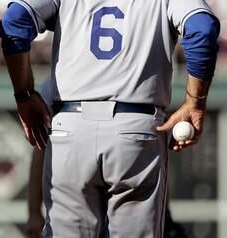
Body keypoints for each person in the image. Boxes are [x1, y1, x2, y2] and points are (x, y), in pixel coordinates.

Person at [0, 0, 219, 237]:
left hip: (70, 128)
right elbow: (202, 30)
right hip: (136, 130)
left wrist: (24, 95)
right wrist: (195, 102)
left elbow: (13, 23)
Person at [26, 79, 190, 238]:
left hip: (70, 146)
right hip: (133, 140)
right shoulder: (141, 68)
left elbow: (41, 148)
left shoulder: (61, 73)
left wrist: (34, 212)